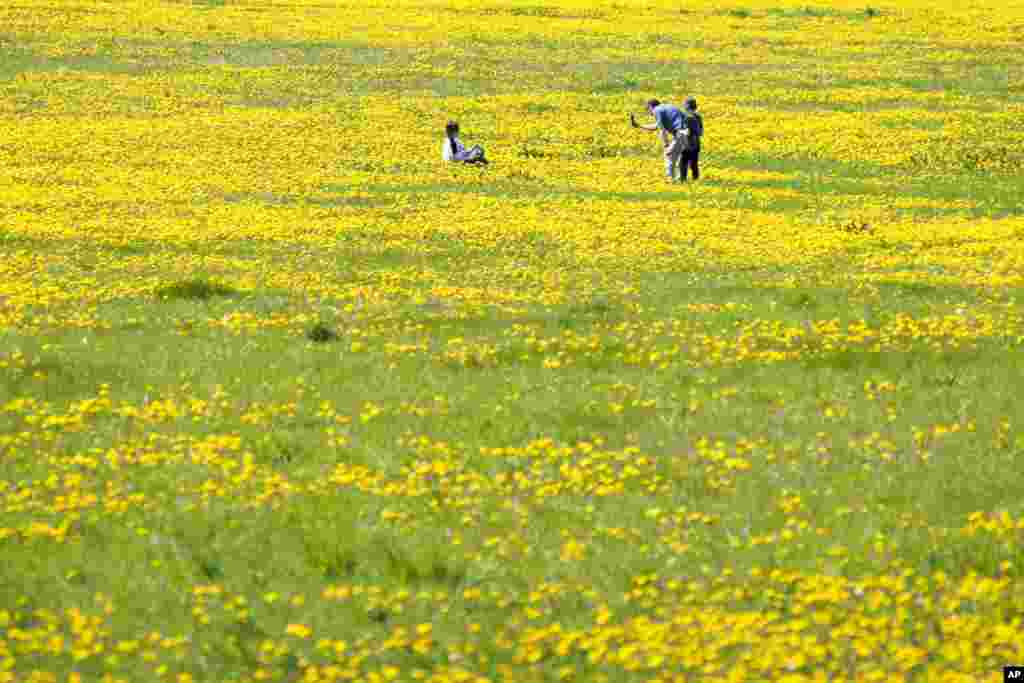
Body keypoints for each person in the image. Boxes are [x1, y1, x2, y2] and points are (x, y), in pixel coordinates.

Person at [630, 98, 686, 182]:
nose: (649, 113)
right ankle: (681, 178)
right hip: (689, 132)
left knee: (669, 154)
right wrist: (639, 125)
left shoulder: (657, 110)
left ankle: (671, 179)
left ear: (650, 107)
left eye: (648, 109)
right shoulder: (665, 108)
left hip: (681, 133)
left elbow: (661, 130)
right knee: (679, 155)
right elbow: (656, 126)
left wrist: (666, 144)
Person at [679, 97, 703, 181]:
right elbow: (700, 132)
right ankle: (695, 179)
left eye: (684, 103)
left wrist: (678, 132)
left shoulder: (686, 117)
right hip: (696, 143)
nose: (683, 105)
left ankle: (682, 180)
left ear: (688, 105)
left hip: (687, 143)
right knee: (694, 163)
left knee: (683, 162)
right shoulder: (698, 116)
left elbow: (686, 131)